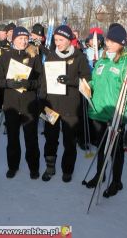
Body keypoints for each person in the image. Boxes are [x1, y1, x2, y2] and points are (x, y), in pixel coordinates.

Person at [83, 24, 127, 197]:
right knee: (101, 148)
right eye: (109, 40)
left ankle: (116, 181)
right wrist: (87, 87)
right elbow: (95, 83)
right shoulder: (101, 61)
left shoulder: (125, 63)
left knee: (115, 151)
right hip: (98, 112)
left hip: (114, 115)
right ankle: (99, 175)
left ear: (122, 44)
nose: (109, 43)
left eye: (114, 41)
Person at [39, 25, 91, 183]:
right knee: (50, 138)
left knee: (69, 141)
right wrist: (41, 101)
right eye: (55, 40)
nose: (58, 43)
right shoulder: (51, 56)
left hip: (71, 107)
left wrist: (72, 81)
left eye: (61, 40)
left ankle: (67, 170)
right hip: (51, 106)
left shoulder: (79, 57)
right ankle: (50, 167)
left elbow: (88, 82)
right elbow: (44, 81)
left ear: (69, 40)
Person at [0, 27, 42, 179]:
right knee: (13, 138)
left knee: (31, 138)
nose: (23, 41)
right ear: (13, 39)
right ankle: (13, 166)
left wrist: (29, 84)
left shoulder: (34, 56)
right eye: (20, 38)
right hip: (11, 104)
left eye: (25, 38)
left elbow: (41, 81)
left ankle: (33, 167)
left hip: (29, 103)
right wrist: (9, 84)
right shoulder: (4, 56)